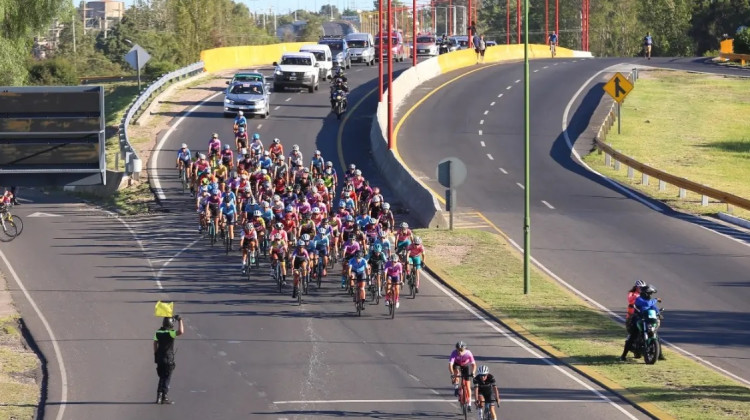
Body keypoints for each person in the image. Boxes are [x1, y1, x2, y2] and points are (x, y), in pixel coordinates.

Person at [620, 284, 665, 361]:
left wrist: (658, 314)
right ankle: (623, 356)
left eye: (651, 294)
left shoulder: (649, 301)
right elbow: (647, 304)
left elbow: (654, 307)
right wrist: (656, 299)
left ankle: (660, 355)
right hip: (637, 320)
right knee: (632, 336)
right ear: (645, 293)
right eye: (650, 294)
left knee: (656, 336)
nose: (650, 295)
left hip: (648, 321)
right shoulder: (639, 299)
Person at [154, 314, 184, 404]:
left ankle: (158, 397)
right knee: (167, 377)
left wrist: (155, 354)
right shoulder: (171, 333)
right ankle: (164, 397)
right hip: (168, 358)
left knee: (161, 377)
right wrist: (180, 320)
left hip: (159, 357)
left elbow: (155, 343)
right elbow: (181, 331)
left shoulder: (158, 332)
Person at [449, 341, 477, 410]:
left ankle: (469, 404)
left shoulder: (468, 353)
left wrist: (473, 372)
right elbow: (450, 365)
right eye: (458, 350)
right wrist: (452, 374)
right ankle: (456, 387)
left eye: (461, 350)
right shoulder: (454, 353)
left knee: (467, 386)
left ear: (464, 349)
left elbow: (474, 365)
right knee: (457, 372)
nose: (459, 352)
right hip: (457, 364)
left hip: (465, 366)